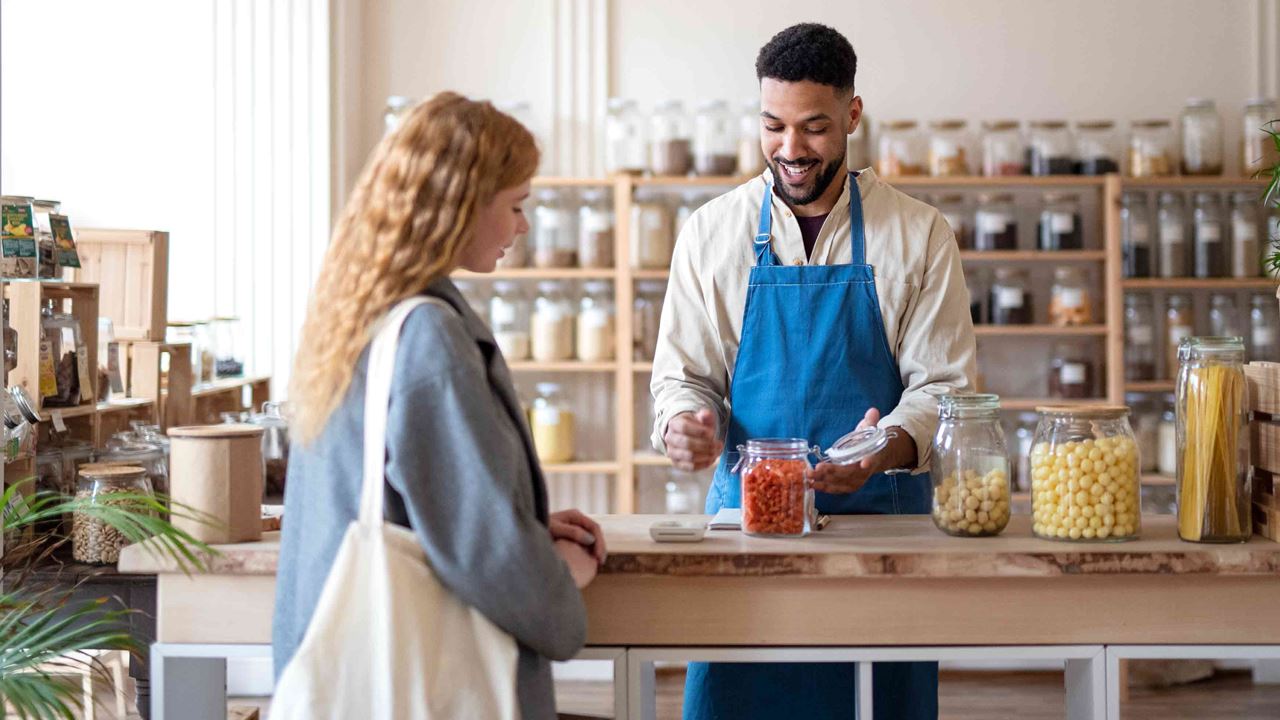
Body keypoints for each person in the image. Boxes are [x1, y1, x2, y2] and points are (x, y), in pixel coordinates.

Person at [651, 23, 977, 720]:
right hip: (746, 535)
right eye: (773, 126)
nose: (791, 150)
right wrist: (683, 423)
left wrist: (883, 446)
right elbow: (683, 376)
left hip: (882, 535)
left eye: (814, 128)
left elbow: (944, 389)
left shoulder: (918, 234)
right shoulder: (712, 232)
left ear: (852, 116)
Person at [274, 92, 605, 720]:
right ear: (460, 206)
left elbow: (425, 502)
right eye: (515, 206)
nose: (523, 228)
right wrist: (556, 573)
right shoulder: (429, 335)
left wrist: (519, 520)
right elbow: (483, 552)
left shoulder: (358, 312)